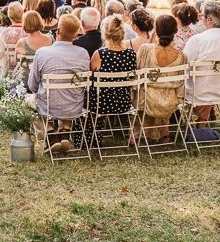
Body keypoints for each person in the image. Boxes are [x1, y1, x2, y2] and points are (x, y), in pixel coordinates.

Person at [28, 14, 90, 154]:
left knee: (28, 102)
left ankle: (50, 134)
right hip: (74, 107)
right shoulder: (84, 54)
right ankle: (65, 132)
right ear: (75, 33)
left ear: (58, 31)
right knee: (67, 95)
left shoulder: (42, 52)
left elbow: (32, 85)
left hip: (49, 107)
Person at [85, 16, 137, 147]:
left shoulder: (99, 54)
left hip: (101, 104)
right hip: (123, 103)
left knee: (86, 92)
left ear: (105, 33)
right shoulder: (131, 54)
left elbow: (91, 77)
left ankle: (90, 139)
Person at [135, 15, 186, 143]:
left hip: (146, 100)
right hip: (169, 102)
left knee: (140, 88)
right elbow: (181, 85)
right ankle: (164, 132)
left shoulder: (145, 49)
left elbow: (137, 75)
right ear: (175, 31)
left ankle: (138, 133)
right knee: (162, 92)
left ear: (155, 30)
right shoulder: (182, 56)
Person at [183, 1, 220, 125]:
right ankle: (202, 122)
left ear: (209, 19)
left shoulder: (197, 39)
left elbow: (184, 65)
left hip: (197, 93)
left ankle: (199, 122)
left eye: (202, 16)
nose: (200, 18)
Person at [15, 10, 53, 85]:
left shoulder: (21, 43)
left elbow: (15, 60)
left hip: (26, 82)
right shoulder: (50, 39)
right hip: (46, 81)